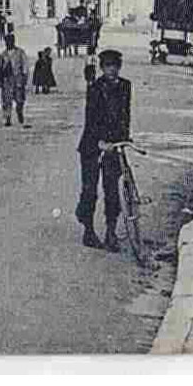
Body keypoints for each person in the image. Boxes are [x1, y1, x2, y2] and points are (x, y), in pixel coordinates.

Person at [76, 48, 132, 251]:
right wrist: (99, 142)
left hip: (114, 146)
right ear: (102, 68)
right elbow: (91, 118)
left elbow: (126, 114)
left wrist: (124, 138)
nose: (112, 70)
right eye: (108, 66)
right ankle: (88, 230)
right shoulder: (95, 88)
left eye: (115, 66)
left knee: (112, 191)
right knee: (90, 190)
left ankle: (111, 231)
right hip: (92, 145)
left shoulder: (126, 86)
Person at [0, 33, 30, 127]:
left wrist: (24, 78)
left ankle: (20, 112)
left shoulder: (20, 52)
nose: (8, 43)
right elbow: (0, 68)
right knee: (7, 100)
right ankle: (7, 118)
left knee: (19, 100)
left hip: (18, 79)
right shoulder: (4, 54)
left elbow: (25, 66)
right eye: (7, 42)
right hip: (7, 80)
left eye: (10, 41)